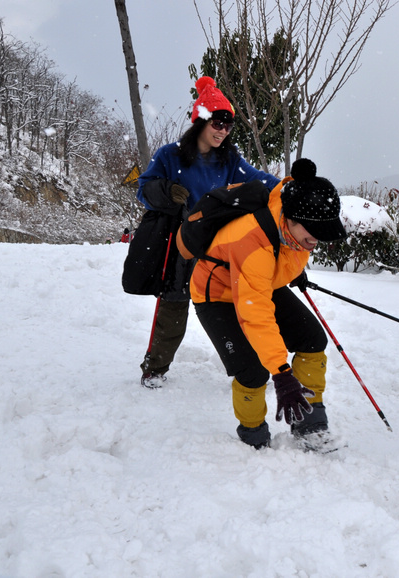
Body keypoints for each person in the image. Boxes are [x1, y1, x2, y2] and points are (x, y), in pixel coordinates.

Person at [191, 158, 348, 452]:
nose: (317, 241)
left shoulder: (292, 225)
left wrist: (293, 271)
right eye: (313, 234)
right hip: (217, 294)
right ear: (291, 219)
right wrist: (282, 373)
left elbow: (286, 252)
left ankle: (310, 420)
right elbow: (256, 315)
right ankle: (252, 434)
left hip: (258, 282)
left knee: (312, 339)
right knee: (253, 369)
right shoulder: (253, 242)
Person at [135, 76, 280, 389]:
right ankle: (155, 368)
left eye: (228, 126)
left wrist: (287, 190)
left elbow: (259, 182)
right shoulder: (169, 156)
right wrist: (166, 190)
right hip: (179, 242)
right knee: (173, 306)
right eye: (218, 122)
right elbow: (144, 189)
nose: (222, 131)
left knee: (229, 302)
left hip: (215, 244)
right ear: (200, 119)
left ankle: (250, 366)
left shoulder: (229, 160)